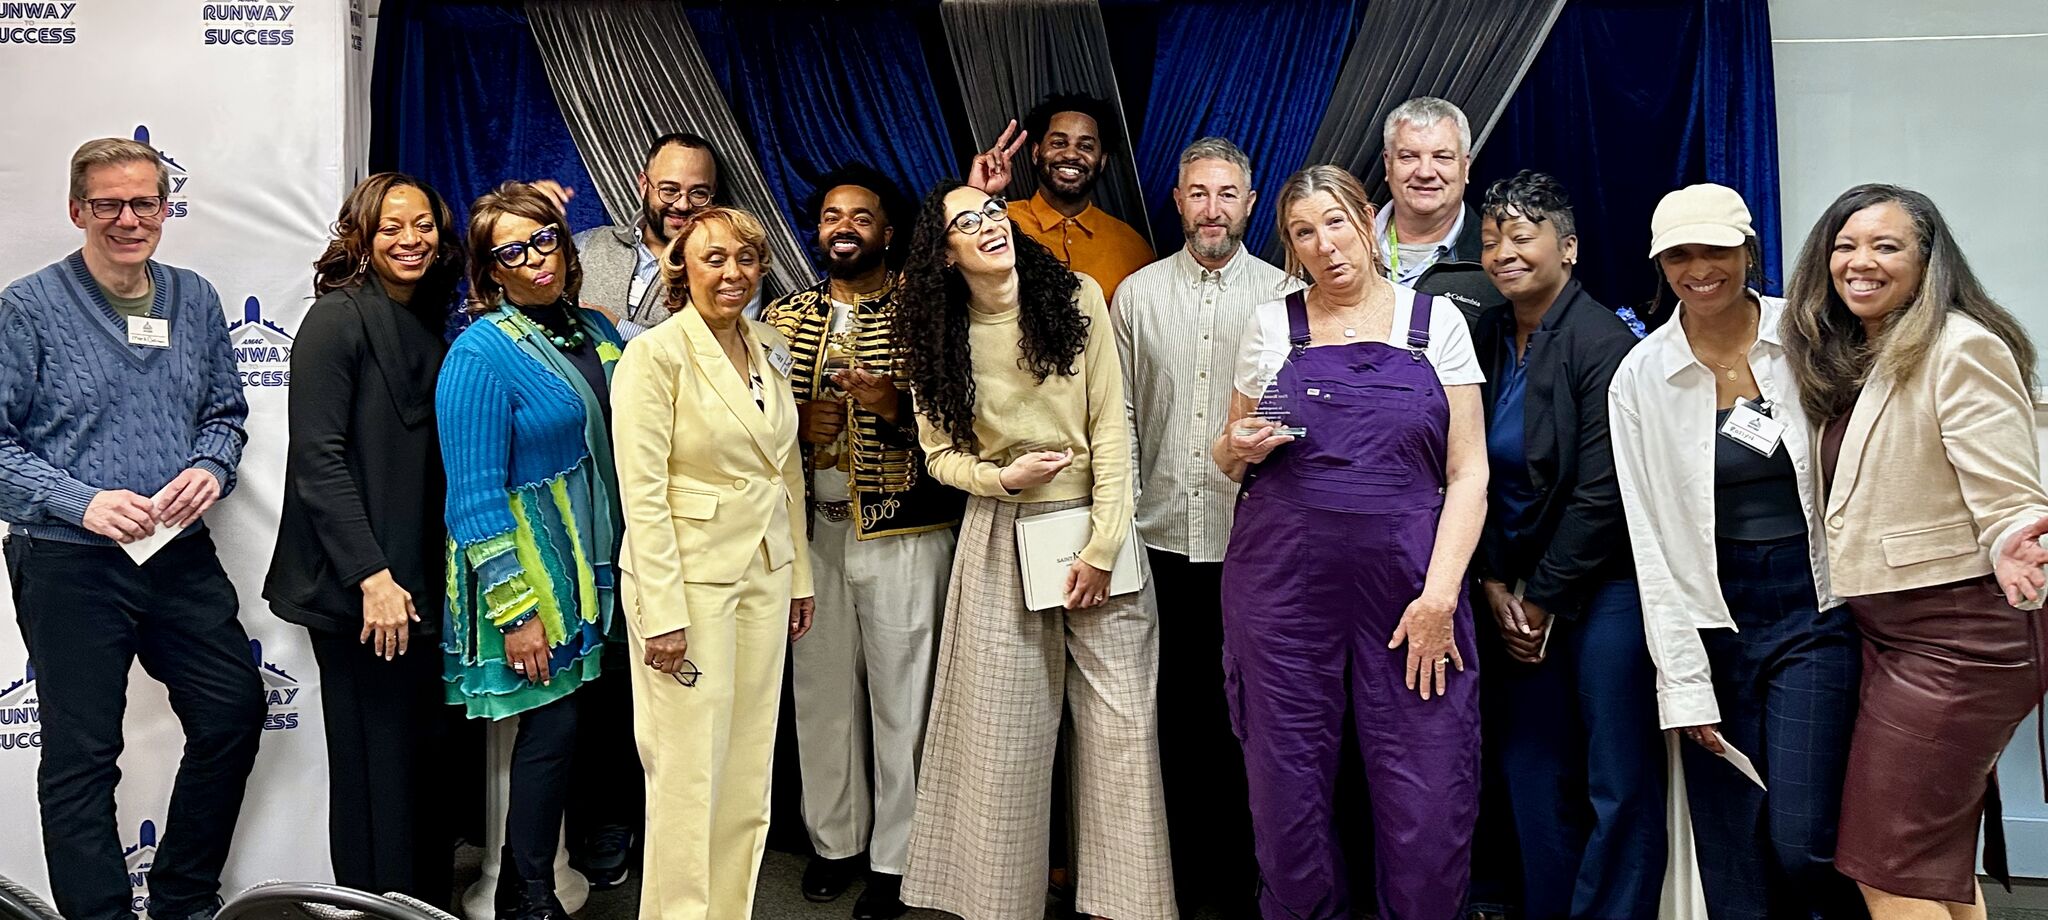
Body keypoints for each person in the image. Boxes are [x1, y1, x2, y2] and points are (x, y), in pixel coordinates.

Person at [1209, 164, 1487, 920]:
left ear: (1367, 220)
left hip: (1411, 589)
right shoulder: (1273, 325)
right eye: (1304, 233)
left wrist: (1440, 597)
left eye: (1335, 223)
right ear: (1291, 246)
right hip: (1282, 589)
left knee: (1428, 787)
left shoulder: (1436, 324)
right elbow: (1228, 455)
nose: (1324, 245)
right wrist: (1237, 444)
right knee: (1286, 786)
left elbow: (1468, 474)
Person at [896, 182, 1174, 920]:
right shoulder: (936, 336)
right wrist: (1001, 479)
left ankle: (1125, 907)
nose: (989, 225)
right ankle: (999, 904)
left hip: (1096, 529)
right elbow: (938, 456)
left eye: (992, 212)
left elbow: (1112, 428)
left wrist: (1104, 546)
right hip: (999, 533)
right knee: (1003, 737)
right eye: (967, 222)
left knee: (1122, 733)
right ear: (946, 254)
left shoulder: (1075, 298)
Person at [0, 136, 259, 920]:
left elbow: (225, 414)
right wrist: (79, 501)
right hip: (68, 562)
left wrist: (212, 466)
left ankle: (182, 898)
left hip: (175, 553)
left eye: (143, 203)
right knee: (82, 757)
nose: (127, 219)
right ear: (76, 210)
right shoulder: (27, 307)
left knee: (233, 710)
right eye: (108, 204)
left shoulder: (195, 298)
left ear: (165, 209)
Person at [1782, 184, 2048, 920]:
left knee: (1887, 870)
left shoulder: (1961, 347)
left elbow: (2010, 494)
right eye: (1845, 245)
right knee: (1929, 868)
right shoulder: (1856, 355)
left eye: (1886, 246)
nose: (1860, 261)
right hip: (1893, 634)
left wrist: (2016, 542)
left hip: (1960, 639)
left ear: (1929, 261)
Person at [1609, 183, 1867, 919]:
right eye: (1679, 256)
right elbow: (1650, 539)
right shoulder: (1641, 376)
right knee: (1734, 854)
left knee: (1803, 839)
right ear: (1660, 266)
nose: (1699, 269)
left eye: (1716, 250)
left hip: (1814, 607)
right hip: (1713, 618)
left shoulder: (1813, 333)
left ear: (1749, 251)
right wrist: (1683, 680)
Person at [765, 165, 963, 920]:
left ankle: (898, 859)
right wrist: (796, 426)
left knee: (903, 700)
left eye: (860, 215)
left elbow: (971, 417)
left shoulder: (928, 312)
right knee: (820, 697)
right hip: (812, 533)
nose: (843, 226)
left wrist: (896, 407)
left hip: (903, 529)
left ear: (888, 231)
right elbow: (748, 426)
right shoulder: (782, 318)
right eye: (831, 215)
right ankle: (834, 841)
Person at [264, 172, 463, 906]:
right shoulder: (336, 320)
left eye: (423, 225)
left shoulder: (425, 319)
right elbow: (317, 460)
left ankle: (423, 908)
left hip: (416, 582)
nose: (411, 240)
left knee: (418, 769)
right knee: (373, 773)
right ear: (362, 237)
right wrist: (372, 578)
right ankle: (371, 911)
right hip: (361, 591)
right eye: (391, 227)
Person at [1110, 136, 1297, 917]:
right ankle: (1180, 887)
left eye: (1227, 194)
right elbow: (1117, 419)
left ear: (1250, 205)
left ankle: (1254, 884)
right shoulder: (1137, 296)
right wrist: (1117, 525)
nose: (1212, 209)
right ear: (1178, 201)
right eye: (1198, 193)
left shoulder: (1289, 296)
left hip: (1256, 550)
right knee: (1175, 723)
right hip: (1160, 545)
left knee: (1255, 724)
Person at [612, 205, 815, 920]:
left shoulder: (768, 346)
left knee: (746, 770)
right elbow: (643, 496)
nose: (733, 272)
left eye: (746, 258)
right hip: (687, 586)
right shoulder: (654, 356)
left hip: (764, 575)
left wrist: (798, 574)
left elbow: (786, 470)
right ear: (682, 269)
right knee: (688, 775)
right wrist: (662, 613)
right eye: (714, 258)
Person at [1468, 170, 1661, 920]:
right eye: (1492, 240)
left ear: (1568, 247)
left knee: (1615, 776)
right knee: (1528, 768)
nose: (1503, 253)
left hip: (1602, 587)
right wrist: (1492, 581)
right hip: (1513, 589)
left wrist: (1542, 598)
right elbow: (1466, 469)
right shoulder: (1484, 335)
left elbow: (1602, 492)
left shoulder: (1603, 341)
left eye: (1522, 236)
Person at [438, 182, 625, 920]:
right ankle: (529, 895)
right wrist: (515, 611)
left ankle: (544, 877)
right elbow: (473, 497)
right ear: (490, 271)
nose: (535, 259)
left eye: (544, 240)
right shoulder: (479, 353)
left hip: (589, 561)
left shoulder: (592, 329)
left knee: (580, 724)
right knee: (551, 727)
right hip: (528, 568)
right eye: (511, 251)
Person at [967, 93, 1153, 302]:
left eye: (1085, 146)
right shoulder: (999, 224)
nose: (1071, 155)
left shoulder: (1132, 247)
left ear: (1101, 161)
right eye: (1059, 143)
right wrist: (975, 195)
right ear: (1036, 153)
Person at [574, 132, 731, 341]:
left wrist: (618, 327)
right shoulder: (587, 244)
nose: (682, 205)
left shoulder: (731, 270)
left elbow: (722, 352)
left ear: (713, 194)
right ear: (644, 185)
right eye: (669, 190)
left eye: (698, 193)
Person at [1374, 96, 1505, 326]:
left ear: (1465, 167)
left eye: (1442, 157)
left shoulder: (1500, 262)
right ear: (1388, 164)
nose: (1425, 172)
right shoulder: (1343, 245)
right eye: (1409, 156)